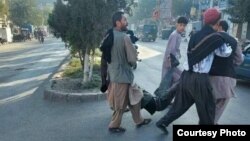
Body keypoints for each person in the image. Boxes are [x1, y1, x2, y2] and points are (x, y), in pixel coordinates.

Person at [155, 8, 232, 134]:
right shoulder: (216, 38)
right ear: (217, 23)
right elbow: (225, 53)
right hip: (200, 80)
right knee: (207, 110)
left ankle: (162, 121)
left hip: (186, 76)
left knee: (180, 105)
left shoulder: (195, 35)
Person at [106, 11, 151, 133]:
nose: (127, 22)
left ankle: (139, 120)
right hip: (123, 76)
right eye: (124, 20)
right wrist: (133, 60)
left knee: (135, 97)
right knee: (121, 104)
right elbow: (132, 59)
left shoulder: (109, 35)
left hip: (116, 74)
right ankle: (114, 125)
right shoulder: (124, 37)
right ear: (118, 22)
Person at [209, 20, 244, 124]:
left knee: (210, 104)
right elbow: (239, 59)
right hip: (229, 78)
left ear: (219, 26)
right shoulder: (234, 41)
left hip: (213, 76)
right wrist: (230, 63)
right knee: (221, 105)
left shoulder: (213, 37)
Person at [161, 17, 188, 86]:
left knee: (170, 84)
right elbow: (171, 50)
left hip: (172, 62)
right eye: (181, 25)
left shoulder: (178, 34)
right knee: (168, 84)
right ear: (177, 25)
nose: (182, 27)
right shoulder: (175, 35)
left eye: (184, 25)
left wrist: (178, 54)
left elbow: (175, 49)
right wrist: (170, 63)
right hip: (170, 63)